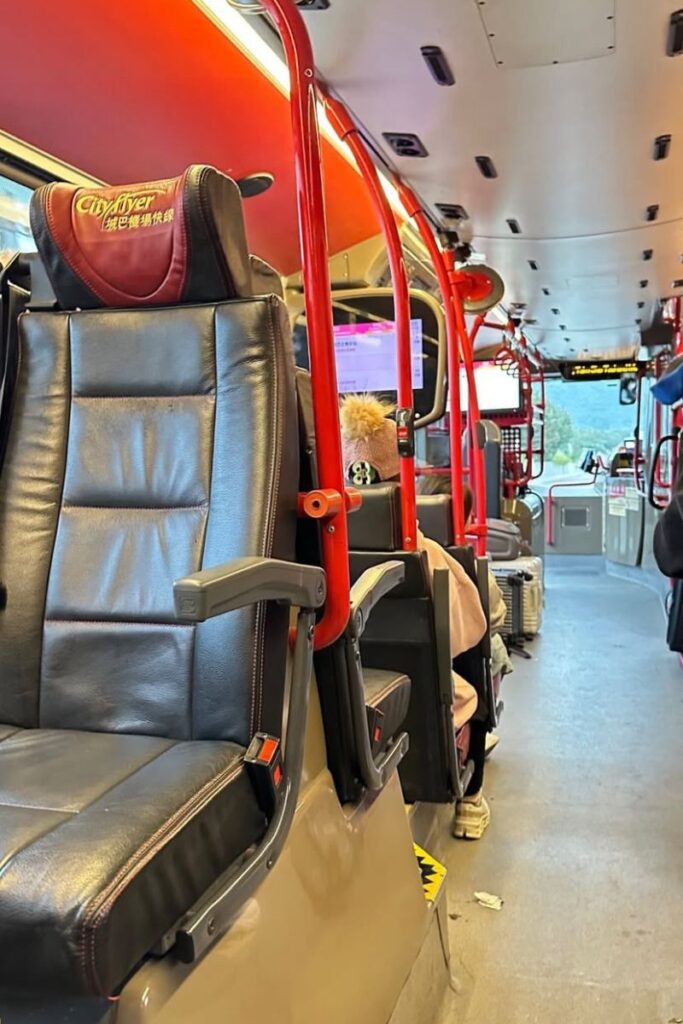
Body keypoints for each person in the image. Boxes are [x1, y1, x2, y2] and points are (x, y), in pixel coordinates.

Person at [340, 394, 490, 839]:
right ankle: (472, 796)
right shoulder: (428, 558)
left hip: (348, 698)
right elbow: (471, 631)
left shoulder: (319, 557)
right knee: (477, 667)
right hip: (427, 696)